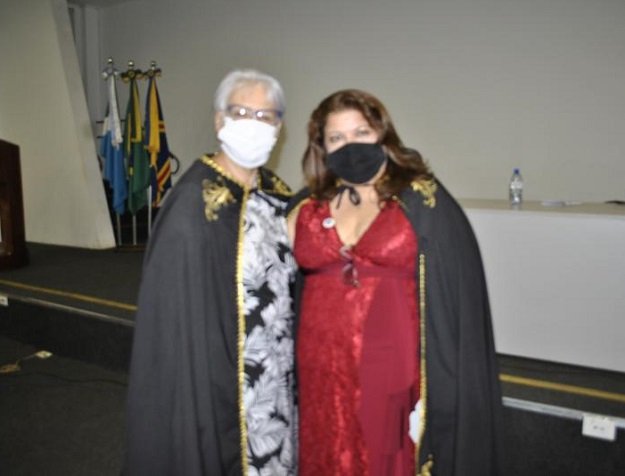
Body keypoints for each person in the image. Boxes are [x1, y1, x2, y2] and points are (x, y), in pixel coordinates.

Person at [287, 89, 504, 475]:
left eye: (361, 133)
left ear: (383, 135)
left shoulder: (422, 200)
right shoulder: (306, 206)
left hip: (391, 373)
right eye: (336, 137)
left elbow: (455, 292)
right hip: (320, 369)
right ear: (322, 147)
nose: (350, 146)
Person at [125, 69, 297, 475]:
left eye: (266, 116)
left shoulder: (277, 192)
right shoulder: (194, 202)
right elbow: (174, 312)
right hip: (218, 371)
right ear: (220, 121)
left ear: (279, 127)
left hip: (276, 369)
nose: (254, 124)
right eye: (242, 112)